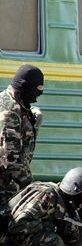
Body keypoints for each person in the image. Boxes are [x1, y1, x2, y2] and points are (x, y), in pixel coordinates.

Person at [0, 64, 44, 207]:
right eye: (36, 90)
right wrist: (32, 188)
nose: (38, 96)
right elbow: (11, 160)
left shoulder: (12, 101)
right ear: (25, 86)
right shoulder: (10, 113)